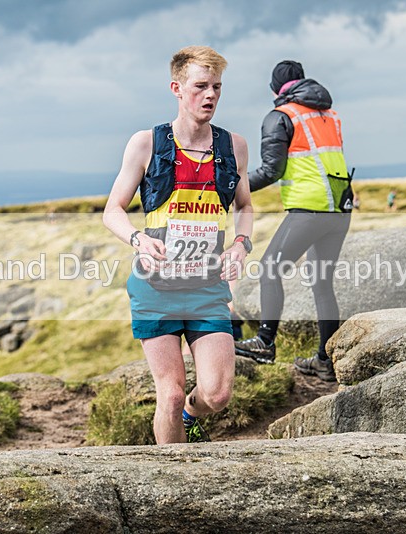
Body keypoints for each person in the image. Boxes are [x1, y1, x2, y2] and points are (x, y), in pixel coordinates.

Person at [103, 46, 253, 444]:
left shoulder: (233, 146)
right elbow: (112, 210)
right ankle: (174, 484)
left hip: (206, 289)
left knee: (217, 395)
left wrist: (241, 243)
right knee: (168, 395)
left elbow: (246, 206)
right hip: (156, 289)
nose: (210, 95)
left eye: (217, 87)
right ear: (177, 88)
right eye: (200, 86)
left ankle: (192, 414)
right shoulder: (146, 143)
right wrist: (137, 239)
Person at [234, 60, 351, 382]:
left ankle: (265, 342)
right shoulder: (329, 114)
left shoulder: (281, 117)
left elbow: (272, 169)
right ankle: (326, 361)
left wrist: (231, 186)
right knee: (321, 283)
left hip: (309, 210)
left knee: (270, 270)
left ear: (275, 89)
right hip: (340, 208)